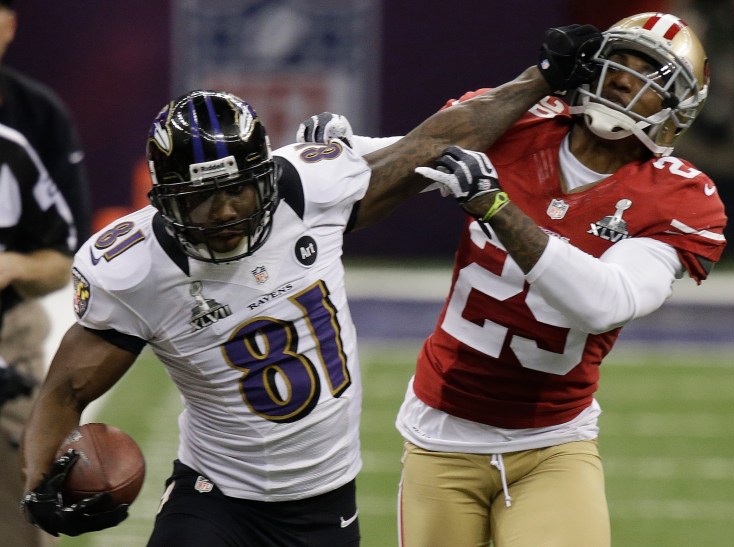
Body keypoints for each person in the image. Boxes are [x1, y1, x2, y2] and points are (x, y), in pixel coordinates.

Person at [17, 24, 603, 545]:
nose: (222, 213)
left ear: (266, 176)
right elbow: (65, 388)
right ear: (166, 200)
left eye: (236, 190)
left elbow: (436, 140)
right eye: (199, 198)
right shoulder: (137, 268)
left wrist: (540, 78)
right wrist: (38, 484)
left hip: (325, 504)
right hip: (214, 497)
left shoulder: (309, 189)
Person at [394, 12, 726, 547]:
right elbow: (406, 155)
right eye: (619, 62)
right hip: (441, 431)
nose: (624, 79)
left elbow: (606, 302)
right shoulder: (516, 126)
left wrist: (496, 207)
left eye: (648, 74)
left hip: (552, 441)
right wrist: (334, 154)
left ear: (676, 108)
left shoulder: (679, 197)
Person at [0, 2, 91, 544]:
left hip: (10, 329)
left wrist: (12, 266)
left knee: (27, 499)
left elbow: (64, 256)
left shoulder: (21, 138)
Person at [0, 121, 76, 547]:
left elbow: (58, 264)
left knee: (25, 524)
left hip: (8, 346)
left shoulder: (10, 152)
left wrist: (14, 266)